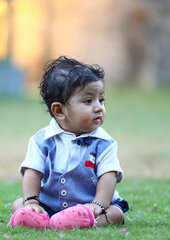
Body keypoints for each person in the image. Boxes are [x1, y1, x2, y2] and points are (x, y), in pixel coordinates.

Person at [9, 56, 129, 230]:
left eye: (101, 100)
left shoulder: (104, 143)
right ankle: (45, 219)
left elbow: (108, 177)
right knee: (18, 204)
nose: (99, 107)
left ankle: (84, 221)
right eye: (88, 101)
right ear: (59, 110)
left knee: (115, 213)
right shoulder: (42, 140)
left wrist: (98, 204)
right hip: (50, 205)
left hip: (90, 208)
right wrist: (32, 201)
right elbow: (32, 172)